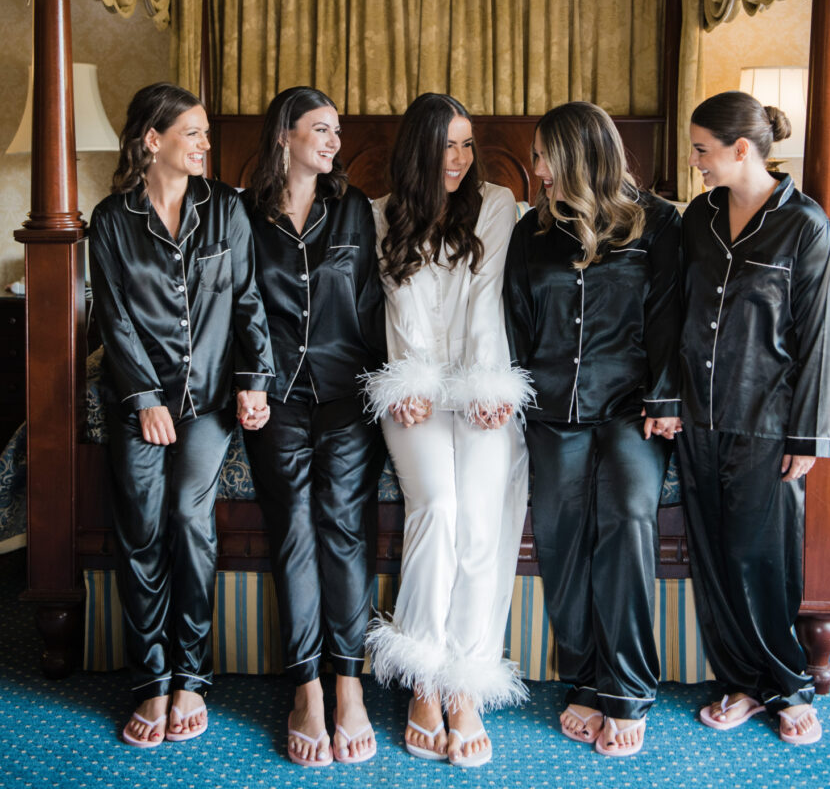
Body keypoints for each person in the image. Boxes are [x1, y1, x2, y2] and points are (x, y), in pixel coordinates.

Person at [89, 83, 274, 747]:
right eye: (191, 133)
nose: (204, 144)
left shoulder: (227, 208)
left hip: (211, 401)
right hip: (138, 398)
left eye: (203, 132)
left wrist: (255, 381)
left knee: (186, 513)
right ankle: (152, 681)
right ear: (152, 140)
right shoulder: (110, 220)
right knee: (138, 525)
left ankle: (191, 676)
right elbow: (113, 316)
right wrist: (142, 398)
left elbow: (248, 300)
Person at [503, 101, 682, 758]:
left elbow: (668, 318)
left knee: (629, 514)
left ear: (576, 157)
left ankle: (627, 689)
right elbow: (516, 322)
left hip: (632, 408)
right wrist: (511, 398)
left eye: (545, 154)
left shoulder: (659, 223)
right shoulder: (531, 232)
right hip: (552, 411)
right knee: (559, 532)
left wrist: (665, 397)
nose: (537, 167)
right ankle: (583, 676)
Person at [363, 92, 532, 768]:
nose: (458, 160)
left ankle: (465, 679)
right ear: (417, 151)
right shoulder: (378, 215)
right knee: (438, 504)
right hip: (414, 390)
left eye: (466, 145)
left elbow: (485, 301)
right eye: (445, 147)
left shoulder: (495, 204)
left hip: (481, 379)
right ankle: (424, 676)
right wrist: (408, 382)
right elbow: (398, 307)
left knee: (483, 518)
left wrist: (489, 387)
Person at [679, 90, 830, 746]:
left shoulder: (803, 225)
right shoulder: (698, 217)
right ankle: (739, 683)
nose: (695, 163)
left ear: (739, 149)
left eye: (701, 151)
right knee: (714, 558)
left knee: (759, 557)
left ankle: (788, 687)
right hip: (695, 415)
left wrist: (805, 435)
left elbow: (817, 338)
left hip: (765, 421)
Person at [241, 87, 387, 767]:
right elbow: (238, 308)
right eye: (319, 129)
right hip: (274, 397)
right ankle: (305, 688)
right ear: (283, 136)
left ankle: (349, 684)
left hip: (345, 390)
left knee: (344, 522)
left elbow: (370, 305)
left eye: (335, 130)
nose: (332, 141)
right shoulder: (243, 214)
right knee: (293, 524)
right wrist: (252, 381)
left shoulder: (352, 208)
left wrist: (389, 388)